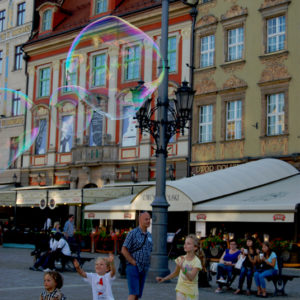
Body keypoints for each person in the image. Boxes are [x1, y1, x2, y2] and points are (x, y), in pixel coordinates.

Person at [156, 234, 202, 300]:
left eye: (188, 244)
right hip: (180, 290)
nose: (185, 245)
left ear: (195, 247)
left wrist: (183, 268)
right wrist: (164, 279)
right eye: (185, 243)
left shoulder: (197, 261)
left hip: (192, 293)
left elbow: (191, 277)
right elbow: (175, 273)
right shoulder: (180, 259)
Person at [121, 211, 152, 300]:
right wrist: (132, 262)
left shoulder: (149, 235)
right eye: (146, 219)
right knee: (133, 293)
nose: (148, 221)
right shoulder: (133, 233)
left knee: (137, 295)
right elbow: (124, 249)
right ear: (140, 220)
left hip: (144, 267)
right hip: (133, 267)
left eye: (149, 219)